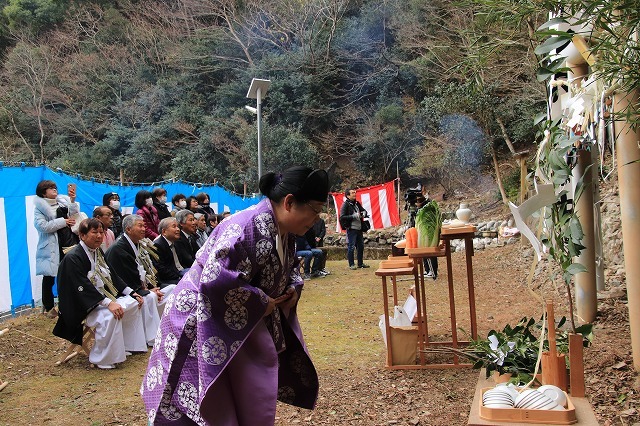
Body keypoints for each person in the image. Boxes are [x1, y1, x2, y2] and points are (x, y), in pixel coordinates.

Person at [142, 166, 326, 425]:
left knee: (235, 394)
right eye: (315, 210)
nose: (316, 219)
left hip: (236, 325)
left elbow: (290, 269)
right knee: (192, 394)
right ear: (289, 202)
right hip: (199, 319)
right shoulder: (246, 227)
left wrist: (292, 290)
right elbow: (217, 277)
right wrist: (262, 302)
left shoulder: (285, 232)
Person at [52, 218, 147, 369]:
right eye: (94, 232)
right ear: (82, 235)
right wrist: (108, 303)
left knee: (133, 303)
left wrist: (131, 292)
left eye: (101, 232)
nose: (99, 236)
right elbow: (81, 287)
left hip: (98, 299)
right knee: (110, 315)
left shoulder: (97, 251)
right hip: (80, 305)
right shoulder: (73, 258)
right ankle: (102, 358)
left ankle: (128, 346)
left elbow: (113, 276)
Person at [105, 215, 164, 346]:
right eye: (140, 226)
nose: (144, 229)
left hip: (134, 285)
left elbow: (140, 270)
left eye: (144, 225)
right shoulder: (120, 248)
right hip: (120, 290)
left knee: (160, 292)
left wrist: (147, 287)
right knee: (150, 296)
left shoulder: (136, 244)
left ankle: (152, 334)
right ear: (128, 229)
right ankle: (150, 337)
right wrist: (143, 290)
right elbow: (124, 276)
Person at [34, 180, 80, 318]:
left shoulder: (62, 202)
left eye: (55, 187)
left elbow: (74, 214)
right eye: (50, 188)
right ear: (43, 192)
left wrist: (72, 199)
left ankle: (66, 303)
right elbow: (42, 226)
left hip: (67, 242)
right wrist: (63, 222)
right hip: (50, 246)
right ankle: (48, 308)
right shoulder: (39, 208)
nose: (54, 189)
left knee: (68, 273)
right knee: (48, 278)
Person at [152, 217, 188, 286]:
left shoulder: (176, 242)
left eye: (178, 226)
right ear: (164, 232)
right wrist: (179, 277)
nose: (178, 229)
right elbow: (162, 270)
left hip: (181, 271)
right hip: (169, 279)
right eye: (174, 227)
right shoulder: (158, 245)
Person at [339, 188, 370, 270]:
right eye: (352, 193)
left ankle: (360, 263)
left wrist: (364, 213)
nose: (354, 194)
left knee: (361, 246)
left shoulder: (357, 203)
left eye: (355, 192)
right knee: (351, 247)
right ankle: (351, 264)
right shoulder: (345, 205)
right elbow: (342, 217)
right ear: (348, 195)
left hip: (359, 228)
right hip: (351, 229)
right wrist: (354, 216)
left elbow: (363, 211)